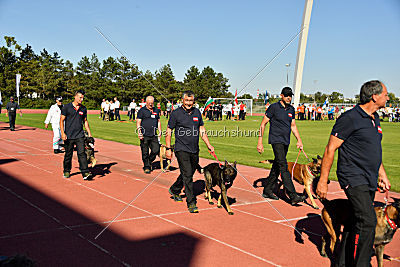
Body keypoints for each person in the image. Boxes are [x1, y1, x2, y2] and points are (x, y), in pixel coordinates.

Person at [316, 80, 391, 267]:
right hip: (352, 176)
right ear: (374, 96)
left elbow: (374, 149)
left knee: (354, 220)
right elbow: (330, 148)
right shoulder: (350, 118)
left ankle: (343, 262)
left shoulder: (375, 118)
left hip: (369, 177)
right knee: (368, 221)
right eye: (386, 94)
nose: (388, 97)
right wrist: (323, 181)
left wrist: (382, 174)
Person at [166, 91, 214, 213]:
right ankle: (191, 202)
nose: (188, 103)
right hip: (181, 149)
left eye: (191, 101)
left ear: (194, 101)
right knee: (188, 175)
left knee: (189, 172)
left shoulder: (197, 112)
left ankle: (175, 189)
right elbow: (169, 131)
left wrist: (208, 144)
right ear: (182, 100)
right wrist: (168, 148)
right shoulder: (176, 113)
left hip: (194, 149)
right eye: (186, 101)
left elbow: (201, 129)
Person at [257, 87, 305, 205]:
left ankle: (267, 190)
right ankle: (293, 195)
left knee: (277, 165)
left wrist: (299, 140)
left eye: (290, 95)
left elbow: (293, 126)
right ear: (281, 96)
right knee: (283, 166)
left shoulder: (291, 109)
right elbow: (263, 124)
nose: (289, 97)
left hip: (286, 141)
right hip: (276, 140)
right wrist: (260, 141)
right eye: (287, 95)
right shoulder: (273, 108)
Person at [60, 90, 92, 180]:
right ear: (75, 97)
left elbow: (85, 121)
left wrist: (89, 133)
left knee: (82, 153)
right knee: (68, 154)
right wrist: (63, 133)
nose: (81, 99)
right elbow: (61, 120)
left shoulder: (83, 109)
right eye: (80, 97)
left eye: (82, 98)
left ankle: (85, 172)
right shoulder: (66, 107)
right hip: (69, 135)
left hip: (80, 135)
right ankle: (66, 171)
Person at [136, 96, 161, 174]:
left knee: (156, 150)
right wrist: (139, 133)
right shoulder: (142, 111)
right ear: (146, 102)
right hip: (144, 134)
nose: (150, 104)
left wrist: (160, 130)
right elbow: (138, 122)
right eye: (149, 103)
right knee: (145, 151)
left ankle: (149, 161)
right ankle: (146, 166)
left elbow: (158, 121)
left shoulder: (156, 110)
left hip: (154, 134)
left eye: (152, 103)